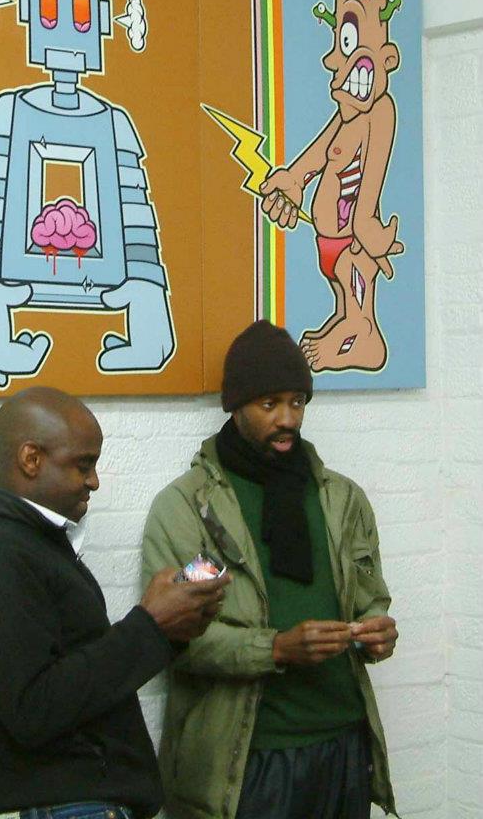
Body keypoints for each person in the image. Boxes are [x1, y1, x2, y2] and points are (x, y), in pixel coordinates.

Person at [142, 320, 398, 819]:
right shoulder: (192, 509)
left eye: (297, 402)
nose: (287, 418)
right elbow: (175, 639)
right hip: (248, 761)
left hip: (343, 744)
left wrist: (377, 632)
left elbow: (370, 599)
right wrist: (276, 648)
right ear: (235, 406)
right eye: (269, 404)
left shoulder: (342, 499)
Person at [0, 386, 230, 819]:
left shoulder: (32, 543)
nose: (94, 481)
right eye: (83, 465)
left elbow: (79, 672)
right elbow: (33, 710)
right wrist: (149, 625)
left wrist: (173, 628)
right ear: (31, 459)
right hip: (57, 803)